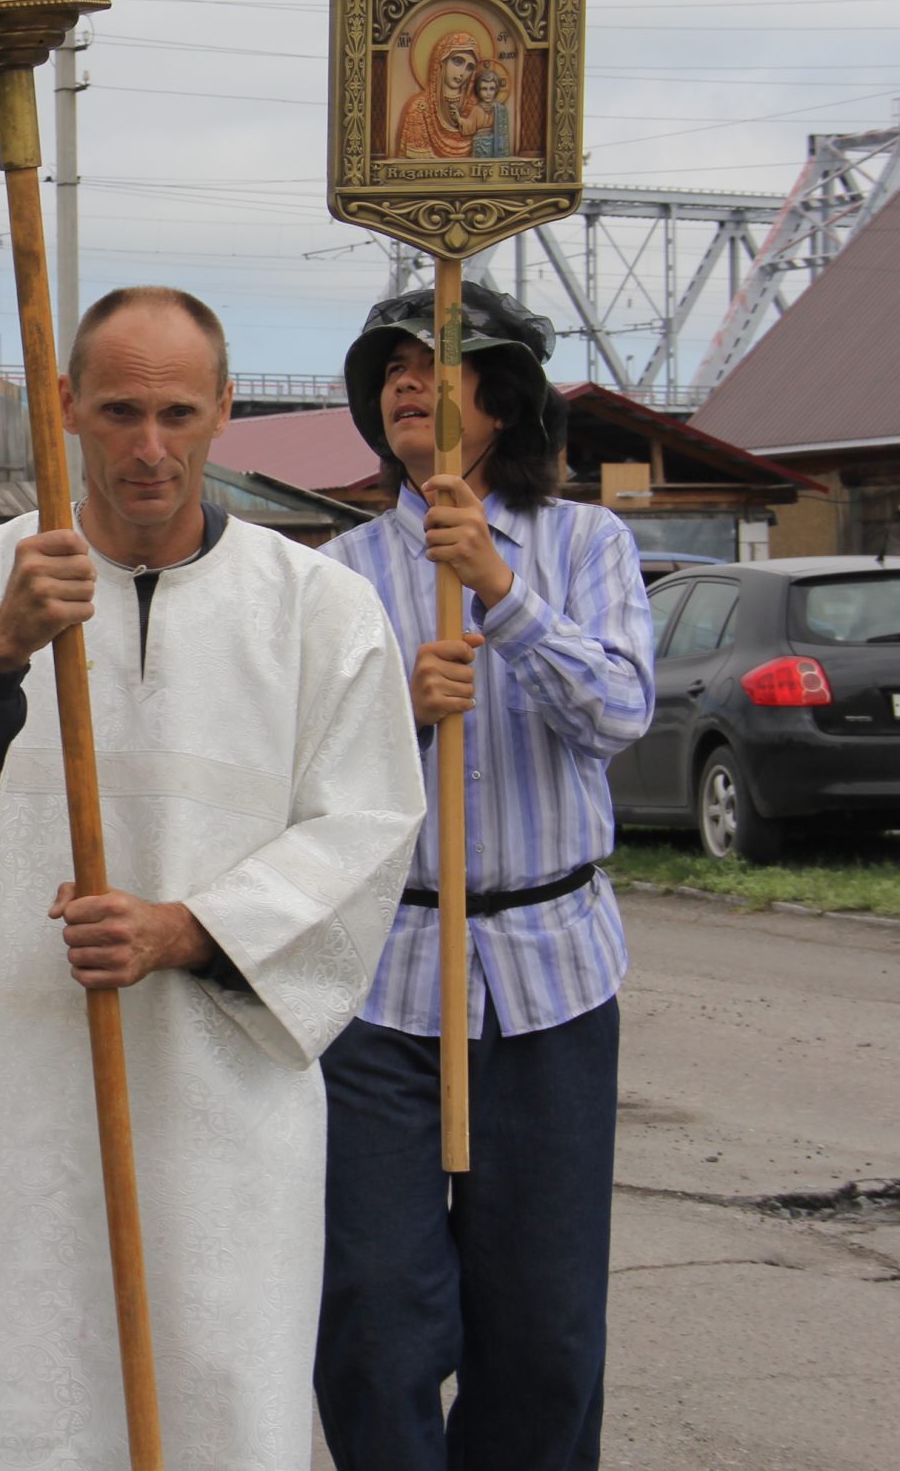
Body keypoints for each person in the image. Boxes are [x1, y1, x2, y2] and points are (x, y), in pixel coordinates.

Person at [0, 286, 426, 1470]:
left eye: (178, 413)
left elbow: (368, 826)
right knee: (2, 1397)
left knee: (212, 1401)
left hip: (219, 1114)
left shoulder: (318, 612)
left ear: (225, 409)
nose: (150, 446)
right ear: (66, 406)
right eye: (122, 411)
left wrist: (191, 929)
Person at [311, 284, 655, 1471]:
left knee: (544, 1329)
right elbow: (299, 778)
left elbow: (619, 715)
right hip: (381, 983)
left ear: (501, 400)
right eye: (390, 368)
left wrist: (503, 598)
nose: (406, 382)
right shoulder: (338, 574)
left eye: (436, 363)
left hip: (551, 975)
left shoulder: (588, 546)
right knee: (374, 1314)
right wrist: (397, 717)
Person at [396, 30, 484, 159]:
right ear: (442, 61)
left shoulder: (476, 108)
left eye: (469, 67)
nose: (462, 72)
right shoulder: (419, 108)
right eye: (458, 61)